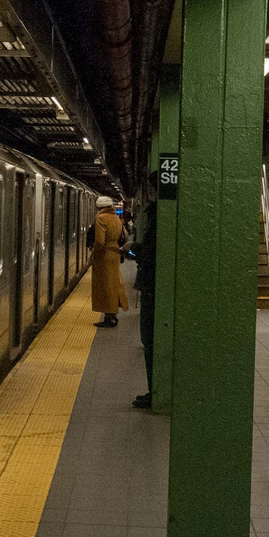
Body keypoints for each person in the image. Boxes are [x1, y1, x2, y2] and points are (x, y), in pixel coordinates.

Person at [133, 174, 159, 408]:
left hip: (152, 287)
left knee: (150, 340)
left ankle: (156, 392)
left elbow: (151, 256)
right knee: (149, 341)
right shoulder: (160, 214)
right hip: (152, 285)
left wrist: (133, 249)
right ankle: (155, 391)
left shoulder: (158, 216)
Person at [91, 195, 128, 327]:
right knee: (113, 284)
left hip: (105, 255)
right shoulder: (116, 218)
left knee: (105, 286)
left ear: (99, 207)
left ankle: (109, 317)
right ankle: (112, 315)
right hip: (115, 252)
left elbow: (100, 241)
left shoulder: (101, 218)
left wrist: (95, 255)